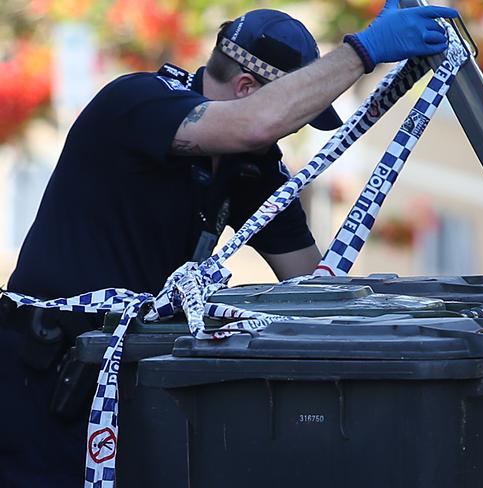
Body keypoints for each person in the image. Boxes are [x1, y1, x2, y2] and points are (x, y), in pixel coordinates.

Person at [0, 1, 458, 486]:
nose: (294, 130)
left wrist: (397, 320)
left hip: (134, 384)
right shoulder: (136, 103)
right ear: (246, 88)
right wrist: (363, 51)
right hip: (46, 377)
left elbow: (309, 287)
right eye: (296, 114)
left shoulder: (250, 168)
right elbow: (253, 123)